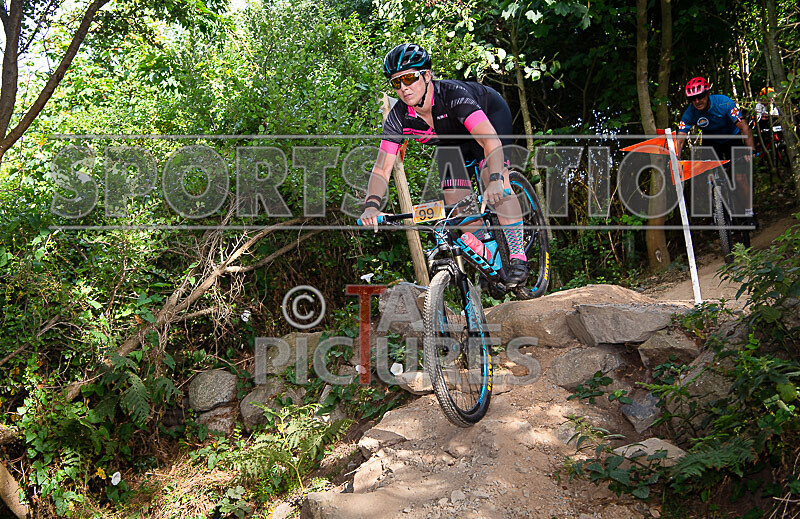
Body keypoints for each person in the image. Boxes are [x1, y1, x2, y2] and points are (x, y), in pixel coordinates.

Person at [359, 43, 530, 284]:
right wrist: (371, 206)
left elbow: (490, 141)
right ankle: (488, 252)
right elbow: (382, 167)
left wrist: (494, 180)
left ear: (427, 75)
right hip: (451, 143)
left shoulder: (452, 95)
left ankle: (517, 256)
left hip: (488, 119)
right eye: (396, 82)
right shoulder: (399, 116)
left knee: (493, 178)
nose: (404, 88)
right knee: (456, 203)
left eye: (409, 78)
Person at [676, 76, 756, 225]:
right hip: (711, 142)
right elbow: (680, 140)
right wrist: (676, 160)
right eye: (693, 98)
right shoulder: (690, 113)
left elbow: (744, 127)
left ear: (707, 94)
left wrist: (749, 149)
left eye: (700, 96)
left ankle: (749, 213)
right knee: (709, 178)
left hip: (732, 138)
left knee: (739, 178)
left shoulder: (723, 102)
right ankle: (719, 213)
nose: (697, 101)